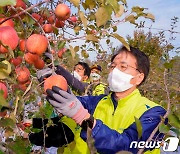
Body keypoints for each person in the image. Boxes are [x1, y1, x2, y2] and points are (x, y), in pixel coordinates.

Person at [45, 46, 167, 154]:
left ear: (139, 77)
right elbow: (69, 100)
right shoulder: (97, 102)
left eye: (123, 66)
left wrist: (83, 117)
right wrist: (48, 71)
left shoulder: (156, 113)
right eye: (112, 66)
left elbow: (128, 146)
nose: (115, 71)